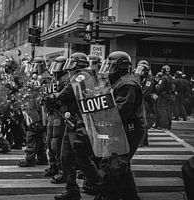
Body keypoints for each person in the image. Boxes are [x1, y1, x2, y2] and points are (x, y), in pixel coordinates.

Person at [53, 52, 102, 200]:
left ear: (78, 64)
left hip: (82, 123)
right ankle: (72, 189)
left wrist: (53, 97)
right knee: (65, 156)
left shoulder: (83, 76)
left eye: (72, 64)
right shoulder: (80, 75)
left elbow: (64, 94)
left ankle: (102, 188)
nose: (68, 68)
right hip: (72, 122)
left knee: (81, 157)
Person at [99, 51, 145, 200]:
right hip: (123, 127)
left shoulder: (128, 84)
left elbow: (121, 110)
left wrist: (100, 113)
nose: (108, 69)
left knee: (116, 164)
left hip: (129, 129)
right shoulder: (120, 81)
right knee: (121, 166)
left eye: (110, 66)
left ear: (121, 67)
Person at [135, 60, 156, 146]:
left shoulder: (149, 79)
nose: (139, 71)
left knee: (143, 121)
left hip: (146, 102)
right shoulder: (141, 77)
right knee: (142, 121)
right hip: (143, 102)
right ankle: (144, 140)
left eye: (141, 69)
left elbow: (145, 92)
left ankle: (141, 141)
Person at [155, 65, 175, 130]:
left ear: (163, 70)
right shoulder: (171, 78)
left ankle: (163, 125)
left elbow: (159, 88)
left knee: (162, 110)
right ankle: (168, 125)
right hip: (170, 96)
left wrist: (156, 86)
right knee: (169, 111)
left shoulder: (163, 78)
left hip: (163, 96)